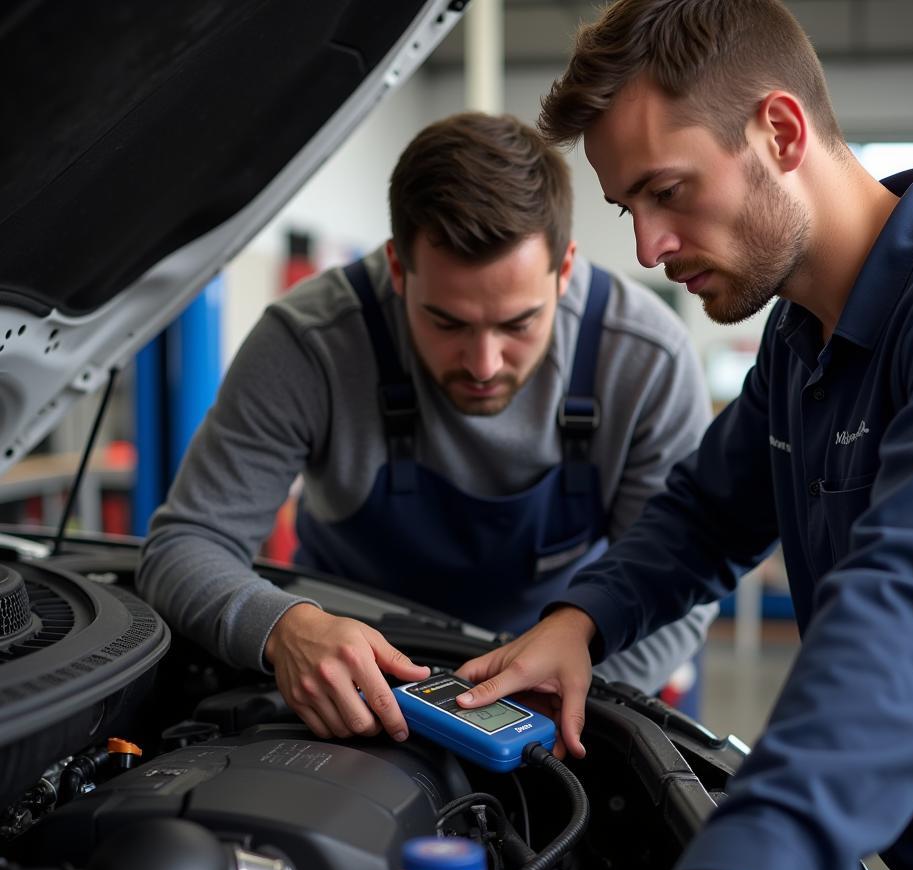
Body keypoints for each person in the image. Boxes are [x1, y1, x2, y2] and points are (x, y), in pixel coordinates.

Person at [449, 2, 913, 870]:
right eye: (627, 206)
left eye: (666, 192)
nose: (648, 245)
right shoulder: (802, 343)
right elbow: (703, 519)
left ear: (780, 132)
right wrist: (576, 626)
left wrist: (746, 866)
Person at [138, 111, 715, 744]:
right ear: (396, 268)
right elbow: (183, 545)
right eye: (447, 322)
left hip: (550, 695)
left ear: (565, 269)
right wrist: (283, 628)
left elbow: (671, 585)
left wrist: (563, 708)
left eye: (518, 324)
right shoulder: (310, 344)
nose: (484, 364)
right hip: (349, 701)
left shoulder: (642, 359)